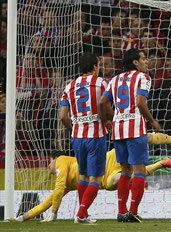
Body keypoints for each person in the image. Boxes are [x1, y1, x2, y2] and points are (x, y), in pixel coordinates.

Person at [8, 132, 171, 222]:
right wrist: (23, 217)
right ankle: (161, 163)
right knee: (124, 178)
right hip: (104, 180)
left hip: (107, 160)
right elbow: (49, 200)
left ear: (55, 158)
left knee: (140, 136)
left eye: (49, 162)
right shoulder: (68, 184)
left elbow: (57, 189)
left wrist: (54, 214)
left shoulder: (62, 161)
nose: (48, 166)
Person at [99, 48, 161, 223]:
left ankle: (121, 211)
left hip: (118, 130)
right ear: (135, 62)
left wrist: (107, 120)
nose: (146, 62)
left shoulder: (115, 79)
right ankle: (132, 211)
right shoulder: (143, 78)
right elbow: (141, 103)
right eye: (143, 59)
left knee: (125, 171)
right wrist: (153, 121)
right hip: (135, 128)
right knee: (139, 171)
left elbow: (102, 102)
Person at [59, 53, 107, 224]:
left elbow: (63, 116)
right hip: (96, 135)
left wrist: (75, 128)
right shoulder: (101, 83)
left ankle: (83, 214)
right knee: (96, 178)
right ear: (95, 67)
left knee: (83, 176)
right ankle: (81, 213)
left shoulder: (69, 86)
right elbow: (105, 105)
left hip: (77, 137)